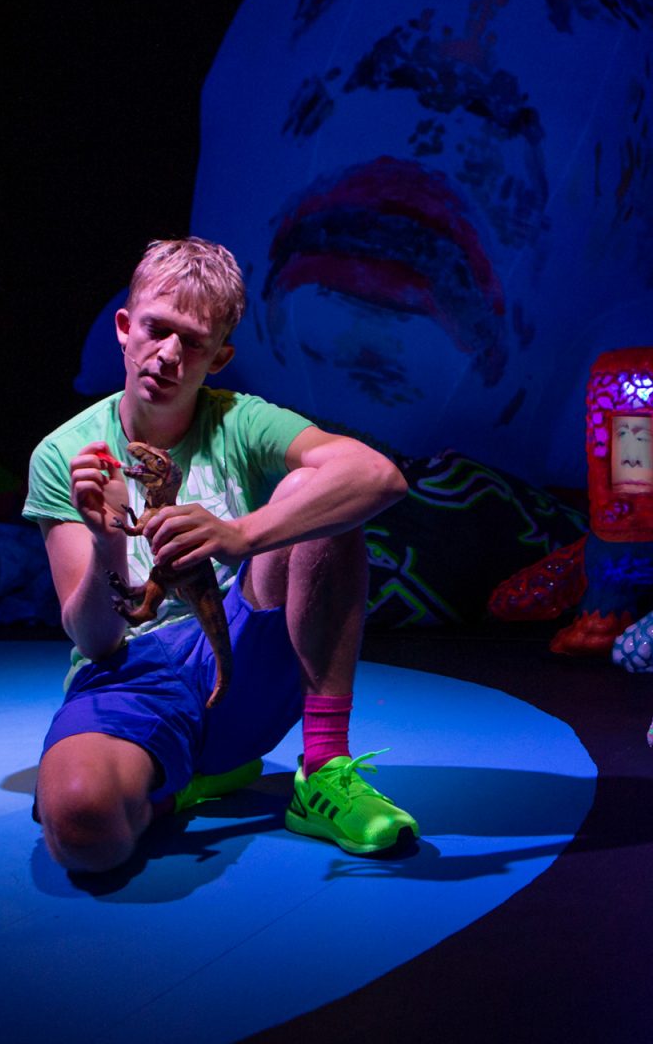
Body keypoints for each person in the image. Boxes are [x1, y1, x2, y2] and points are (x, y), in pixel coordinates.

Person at [23, 237, 416, 873]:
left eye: (193, 342)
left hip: (240, 662)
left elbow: (378, 477)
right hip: (131, 674)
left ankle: (323, 768)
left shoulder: (241, 421)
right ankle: (176, 788)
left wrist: (241, 535)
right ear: (124, 329)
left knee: (323, 492)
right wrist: (107, 538)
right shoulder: (65, 453)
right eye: (156, 329)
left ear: (219, 358)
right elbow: (96, 640)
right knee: (83, 830)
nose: (168, 355)